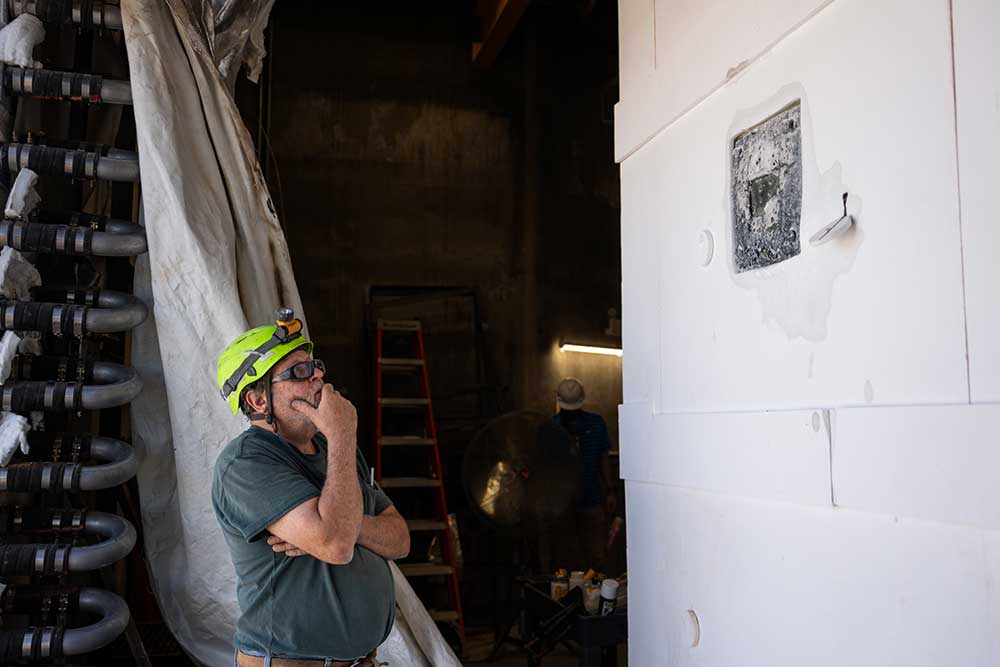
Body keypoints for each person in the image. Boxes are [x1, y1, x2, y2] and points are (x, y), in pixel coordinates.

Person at [212, 309, 409, 667]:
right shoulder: (245, 465)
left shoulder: (339, 452)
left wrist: (351, 525)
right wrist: (342, 432)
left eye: (315, 365)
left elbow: (399, 539)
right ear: (258, 400)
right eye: (299, 372)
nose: (318, 374)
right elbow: (335, 545)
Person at [552, 377, 617, 569]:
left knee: (596, 557)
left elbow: (603, 458)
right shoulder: (551, 428)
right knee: (564, 561)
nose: (571, 415)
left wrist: (610, 490)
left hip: (592, 501)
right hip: (562, 506)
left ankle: (596, 596)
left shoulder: (596, 424)